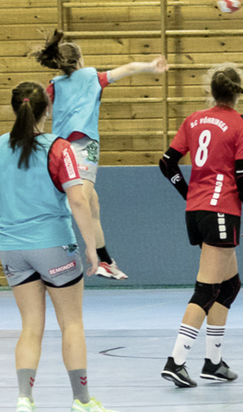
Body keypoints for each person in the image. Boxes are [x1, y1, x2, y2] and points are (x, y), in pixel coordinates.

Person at [0, 81, 118, 412]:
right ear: (47, 111)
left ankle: (25, 399)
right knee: (71, 323)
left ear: (14, 109)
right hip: (54, 246)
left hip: (12, 249)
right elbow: (79, 199)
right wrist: (93, 249)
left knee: (30, 327)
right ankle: (82, 402)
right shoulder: (59, 148)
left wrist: (10, 199)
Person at [157, 64, 243, 387]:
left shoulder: (194, 119)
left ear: (212, 91)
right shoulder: (241, 123)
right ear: (237, 90)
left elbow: (166, 163)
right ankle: (175, 361)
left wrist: (187, 190)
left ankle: (213, 362)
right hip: (221, 211)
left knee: (229, 286)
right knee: (206, 290)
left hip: (197, 210)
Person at [31, 30, 168, 280]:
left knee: (92, 204)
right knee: (78, 201)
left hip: (59, 148)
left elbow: (41, 112)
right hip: (84, 146)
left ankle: (105, 259)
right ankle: (66, 250)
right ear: (80, 60)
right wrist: (150, 65)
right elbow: (126, 68)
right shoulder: (93, 77)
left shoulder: (54, 85)